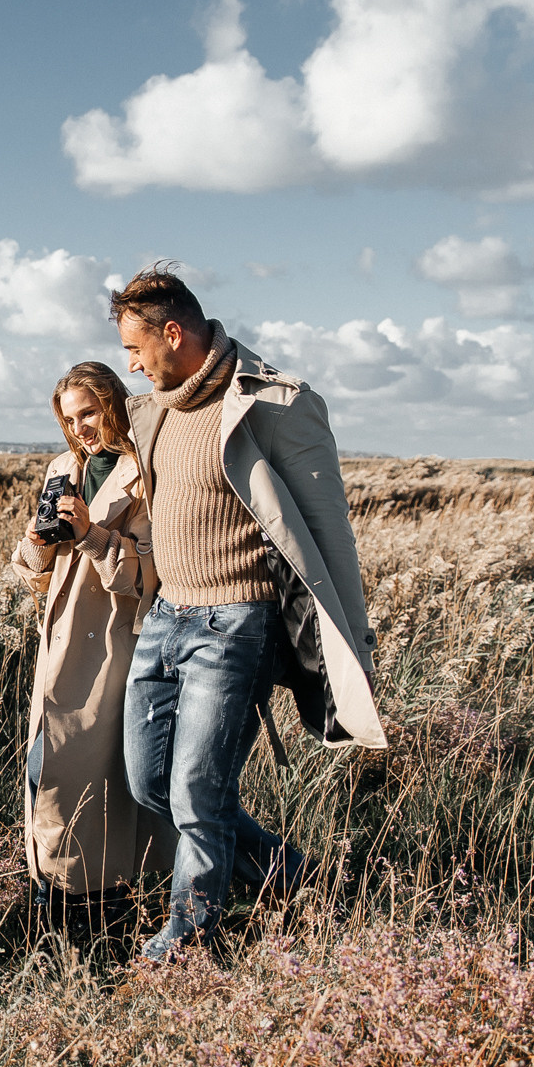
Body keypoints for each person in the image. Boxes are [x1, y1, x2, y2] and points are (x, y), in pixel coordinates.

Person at [110, 265, 385, 962]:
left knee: (199, 793)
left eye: (136, 349)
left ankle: (189, 939)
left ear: (174, 333)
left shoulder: (274, 403)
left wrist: (352, 640)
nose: (132, 364)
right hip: (166, 616)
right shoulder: (156, 409)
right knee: (151, 785)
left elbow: (328, 532)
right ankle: (292, 875)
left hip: (236, 625)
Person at [9, 361, 171, 930]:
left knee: (96, 781)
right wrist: (39, 543)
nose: (80, 428)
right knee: (45, 772)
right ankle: (55, 906)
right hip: (57, 643)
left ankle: (96, 913)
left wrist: (93, 536)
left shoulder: (146, 471)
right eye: (69, 418)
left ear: (115, 405)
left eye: (90, 413)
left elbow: (149, 576)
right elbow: (32, 575)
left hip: (112, 648)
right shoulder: (64, 468)